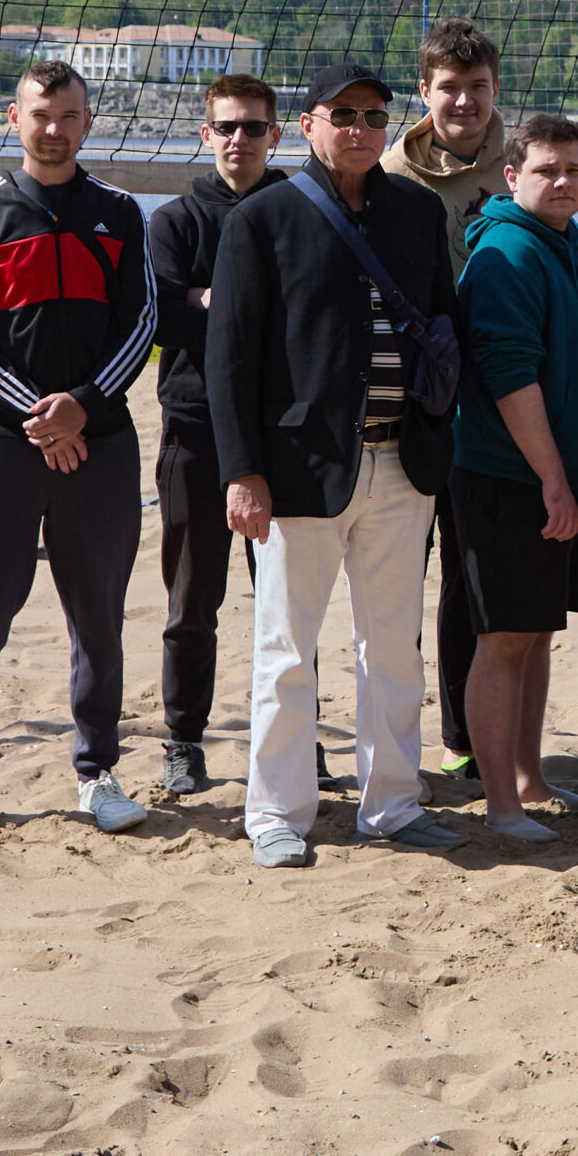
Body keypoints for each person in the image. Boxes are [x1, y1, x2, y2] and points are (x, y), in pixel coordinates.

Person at [207, 63, 460, 867]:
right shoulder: (264, 218)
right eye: (342, 113)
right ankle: (276, 813)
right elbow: (228, 358)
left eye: (374, 115)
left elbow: (446, 329)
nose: (359, 127)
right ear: (308, 124)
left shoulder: (418, 211)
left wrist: (439, 430)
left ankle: (391, 803)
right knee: (287, 650)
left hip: (402, 460)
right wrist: (242, 470)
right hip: (298, 468)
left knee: (393, 650)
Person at [0, 58, 159, 837]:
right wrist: (39, 414)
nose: (53, 130)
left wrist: (81, 411)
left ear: (88, 122)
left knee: (98, 616)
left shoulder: (121, 212)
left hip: (100, 444)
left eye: (67, 117)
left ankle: (98, 773)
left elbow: (141, 323)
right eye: (39, 115)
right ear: (13, 120)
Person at [451, 113, 578, 844]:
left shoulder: (573, 246)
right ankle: (500, 804)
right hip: (506, 475)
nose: (563, 181)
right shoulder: (506, 252)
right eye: (547, 169)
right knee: (505, 637)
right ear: (511, 177)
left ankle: (528, 777)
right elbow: (510, 376)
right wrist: (551, 477)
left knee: (538, 631)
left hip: (563, 471)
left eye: (573, 168)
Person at [144, 72, 287, 798]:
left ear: (276, 134)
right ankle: (184, 741)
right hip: (195, 429)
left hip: (283, 433)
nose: (240, 140)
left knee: (289, 601)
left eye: (253, 127)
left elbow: (311, 310)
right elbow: (164, 316)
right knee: (194, 599)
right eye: (227, 127)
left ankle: (293, 739)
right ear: (206, 135)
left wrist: (212, 300)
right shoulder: (175, 221)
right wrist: (240, 301)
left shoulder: (301, 211)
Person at [381, 17, 508, 784]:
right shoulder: (392, 172)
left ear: (497, 90)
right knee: (397, 577)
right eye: (450, 89)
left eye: (479, 88)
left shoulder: (518, 163)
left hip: (491, 398)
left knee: (471, 578)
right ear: (424, 92)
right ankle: (393, 737)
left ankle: (463, 737)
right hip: (409, 398)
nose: (464, 102)